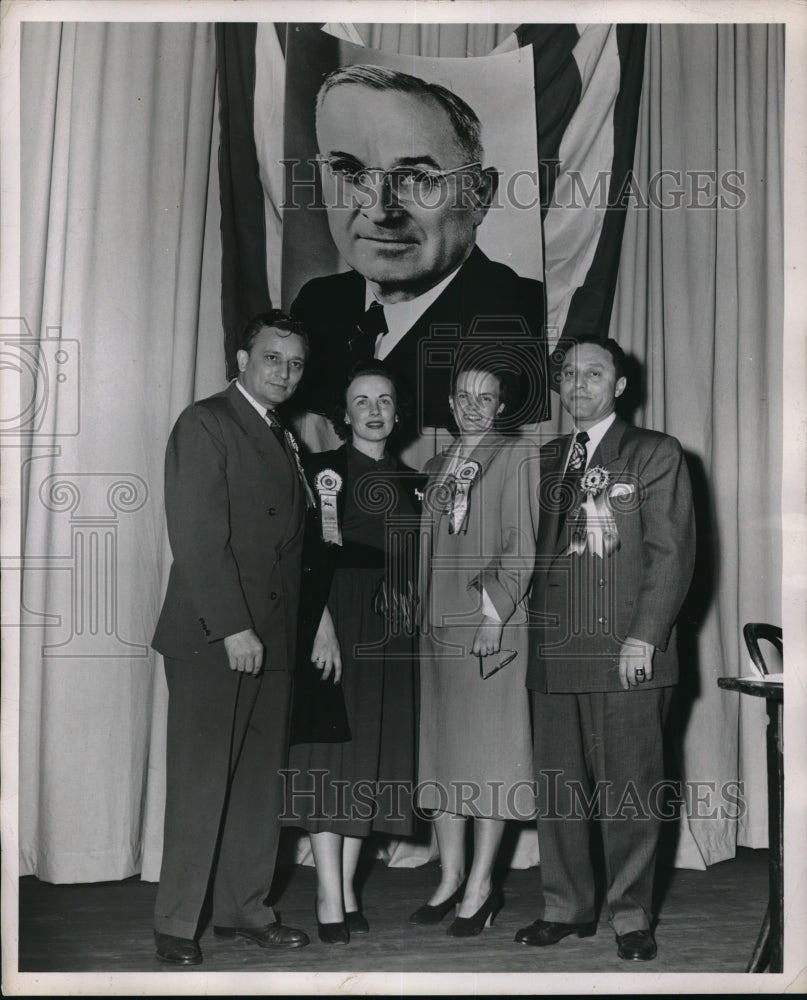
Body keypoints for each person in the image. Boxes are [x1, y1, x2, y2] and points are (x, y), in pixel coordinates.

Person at [518, 335, 696, 962]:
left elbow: (671, 555)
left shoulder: (653, 453)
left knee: (630, 789)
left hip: (627, 651)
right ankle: (565, 907)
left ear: (619, 386)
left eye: (593, 373)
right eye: (568, 374)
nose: (578, 384)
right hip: (555, 653)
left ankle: (630, 915)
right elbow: (535, 557)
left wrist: (646, 635)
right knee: (560, 791)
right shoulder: (547, 459)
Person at [150, 311, 312, 965]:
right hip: (216, 637)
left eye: (296, 363)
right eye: (272, 358)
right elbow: (195, 537)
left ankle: (244, 910)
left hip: (270, 638)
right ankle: (176, 923)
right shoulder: (207, 422)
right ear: (242, 358)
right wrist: (234, 627)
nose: (284, 372)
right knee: (201, 782)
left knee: (256, 786)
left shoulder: (281, 434)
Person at [290, 63, 547, 450]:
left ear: (479, 196)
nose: (378, 210)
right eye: (348, 170)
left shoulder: (526, 315)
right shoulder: (318, 304)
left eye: (415, 178)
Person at [283, 360, 422, 944]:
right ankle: (326, 893)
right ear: (345, 412)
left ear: (397, 412)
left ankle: (345, 886)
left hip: (387, 631)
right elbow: (302, 555)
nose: (373, 410)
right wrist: (318, 622)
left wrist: (407, 593)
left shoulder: (413, 478)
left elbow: (414, 555)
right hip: (333, 617)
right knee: (327, 753)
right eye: (361, 400)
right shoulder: (320, 471)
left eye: (384, 400)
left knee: (367, 754)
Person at [414, 357, 541, 937]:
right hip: (438, 631)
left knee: (488, 758)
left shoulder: (517, 455)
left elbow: (520, 543)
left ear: (501, 406)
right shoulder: (439, 463)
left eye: (485, 398)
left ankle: (483, 886)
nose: (473, 406)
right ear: (449, 400)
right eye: (464, 394)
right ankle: (450, 876)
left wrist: (495, 613)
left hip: (490, 627)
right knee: (443, 754)